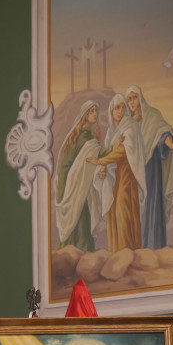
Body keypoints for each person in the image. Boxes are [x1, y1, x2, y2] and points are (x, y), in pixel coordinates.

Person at [125, 85, 173, 249]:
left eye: (134, 97)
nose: (132, 102)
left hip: (151, 169)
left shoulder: (152, 115)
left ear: (141, 98)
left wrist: (170, 144)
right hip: (134, 172)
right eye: (129, 99)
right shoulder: (128, 122)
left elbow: (162, 133)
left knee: (151, 206)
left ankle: (153, 246)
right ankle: (137, 247)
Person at [87, 93, 145, 252]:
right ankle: (116, 252)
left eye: (122, 107)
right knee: (113, 213)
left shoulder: (130, 126)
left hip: (127, 175)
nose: (120, 111)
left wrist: (101, 162)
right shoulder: (112, 132)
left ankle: (128, 250)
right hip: (114, 179)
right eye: (116, 108)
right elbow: (109, 151)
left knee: (123, 212)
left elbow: (122, 152)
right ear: (111, 111)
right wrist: (104, 168)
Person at [54, 101, 103, 252]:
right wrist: (98, 143)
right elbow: (91, 156)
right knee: (80, 217)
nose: (95, 113)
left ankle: (70, 255)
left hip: (69, 181)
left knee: (78, 216)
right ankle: (80, 255)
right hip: (74, 183)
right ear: (85, 116)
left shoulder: (78, 134)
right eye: (91, 111)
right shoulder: (85, 137)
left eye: (96, 110)